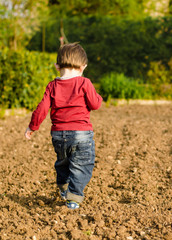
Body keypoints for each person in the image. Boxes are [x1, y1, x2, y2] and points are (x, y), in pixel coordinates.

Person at [25, 43, 103, 210]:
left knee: (63, 162)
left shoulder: (52, 85)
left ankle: (63, 185)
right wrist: (99, 97)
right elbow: (95, 104)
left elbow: (42, 108)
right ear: (83, 67)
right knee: (82, 165)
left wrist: (33, 126)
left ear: (57, 66)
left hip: (59, 134)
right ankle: (73, 198)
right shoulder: (85, 83)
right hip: (82, 134)